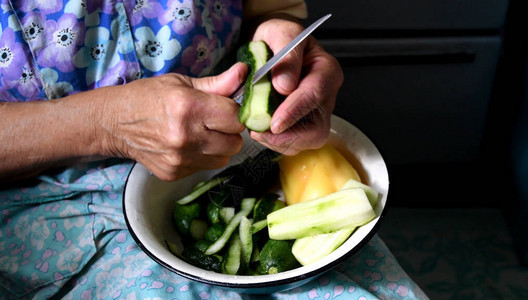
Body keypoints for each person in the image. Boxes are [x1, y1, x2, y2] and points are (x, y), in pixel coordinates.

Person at [0, 0, 428, 299]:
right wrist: (105, 124)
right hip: (43, 199)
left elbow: (272, 12)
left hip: (236, 160)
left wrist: (285, 50)